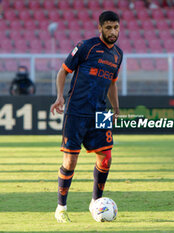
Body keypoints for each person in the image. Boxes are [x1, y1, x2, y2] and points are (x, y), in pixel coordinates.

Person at [50, 11, 123, 223]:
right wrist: (59, 97)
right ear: (100, 28)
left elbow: (112, 83)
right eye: (108, 27)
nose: (112, 31)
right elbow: (63, 72)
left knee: (106, 158)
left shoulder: (118, 55)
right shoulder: (85, 47)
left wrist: (116, 108)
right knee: (71, 160)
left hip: (100, 113)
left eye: (115, 27)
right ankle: (61, 208)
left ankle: (96, 202)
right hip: (76, 112)